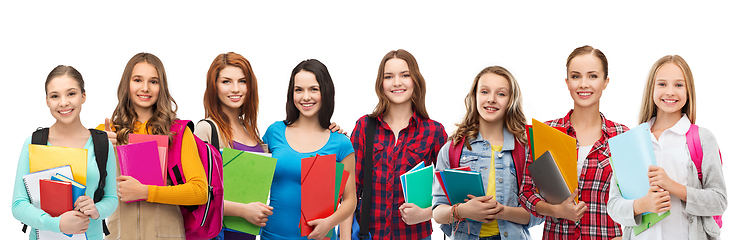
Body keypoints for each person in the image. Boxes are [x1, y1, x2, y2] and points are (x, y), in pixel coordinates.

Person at [194, 52, 347, 240]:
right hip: (221, 234)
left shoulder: (253, 132)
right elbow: (197, 195)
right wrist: (243, 210)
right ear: (214, 86)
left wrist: (331, 133)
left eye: (242, 81)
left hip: (248, 234)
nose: (235, 89)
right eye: (226, 81)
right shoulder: (206, 129)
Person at [607, 55, 726, 239]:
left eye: (679, 85)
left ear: (688, 91)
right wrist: (642, 205)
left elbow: (719, 201)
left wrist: (673, 186)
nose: (670, 92)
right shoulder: (631, 142)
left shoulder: (702, 138)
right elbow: (613, 206)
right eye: (662, 84)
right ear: (651, 89)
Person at [519, 45, 628, 240]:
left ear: (605, 82)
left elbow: (636, 200)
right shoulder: (546, 132)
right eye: (576, 76)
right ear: (567, 82)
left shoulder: (622, 136)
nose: (583, 84)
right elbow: (526, 193)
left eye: (593, 76)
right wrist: (555, 210)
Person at [101, 52, 208, 239]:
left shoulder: (179, 132)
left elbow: (200, 192)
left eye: (153, 81)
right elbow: (87, 192)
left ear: (162, 87)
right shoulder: (107, 132)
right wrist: (100, 150)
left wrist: (146, 191)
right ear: (127, 84)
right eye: (137, 80)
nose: (145, 88)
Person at [432, 66, 543, 239]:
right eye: (484, 91)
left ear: (511, 100)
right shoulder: (451, 149)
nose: (491, 99)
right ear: (474, 96)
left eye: (501, 94)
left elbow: (539, 214)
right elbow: (438, 212)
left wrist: (502, 212)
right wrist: (462, 211)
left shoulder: (526, 149)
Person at [350, 49, 447, 239]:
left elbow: (450, 192)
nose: (397, 82)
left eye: (405, 75)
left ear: (416, 80)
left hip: (415, 236)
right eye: (389, 76)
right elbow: (349, 191)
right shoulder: (364, 127)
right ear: (381, 83)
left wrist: (426, 213)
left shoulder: (434, 131)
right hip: (369, 235)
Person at [12, 65, 118, 239]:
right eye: (55, 96)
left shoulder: (101, 143)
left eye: (71, 93)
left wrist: (96, 209)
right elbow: (18, 204)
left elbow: (112, 198)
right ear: (47, 100)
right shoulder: (33, 143)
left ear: (83, 96)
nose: (63, 102)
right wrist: (57, 224)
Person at [260, 59, 356, 240]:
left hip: (319, 237)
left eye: (314, 89)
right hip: (271, 236)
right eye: (299, 90)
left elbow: (349, 200)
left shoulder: (341, 143)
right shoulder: (274, 132)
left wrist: (329, 223)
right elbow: (254, 177)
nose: (305, 97)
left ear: (325, 92)